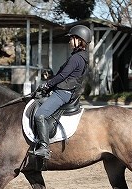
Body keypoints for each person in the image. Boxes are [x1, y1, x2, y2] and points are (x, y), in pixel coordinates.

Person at [33, 25, 91, 159]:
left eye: (72, 38)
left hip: (63, 93)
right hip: (64, 91)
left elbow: (62, 76)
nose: (70, 41)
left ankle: (44, 147)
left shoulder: (76, 58)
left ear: (79, 40)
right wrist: (48, 88)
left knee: (39, 115)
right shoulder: (80, 57)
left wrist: (47, 84)